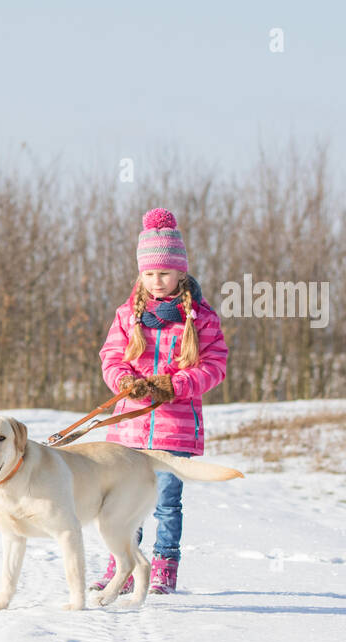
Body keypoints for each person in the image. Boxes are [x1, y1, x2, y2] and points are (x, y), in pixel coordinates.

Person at [90, 207, 230, 594]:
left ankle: (165, 567)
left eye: (164, 273)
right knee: (123, 504)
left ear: (181, 272)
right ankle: (122, 566)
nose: (157, 281)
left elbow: (214, 365)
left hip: (175, 429)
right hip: (130, 430)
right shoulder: (127, 315)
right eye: (149, 274)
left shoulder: (200, 318)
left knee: (167, 504)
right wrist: (126, 382)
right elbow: (111, 358)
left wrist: (173, 385)